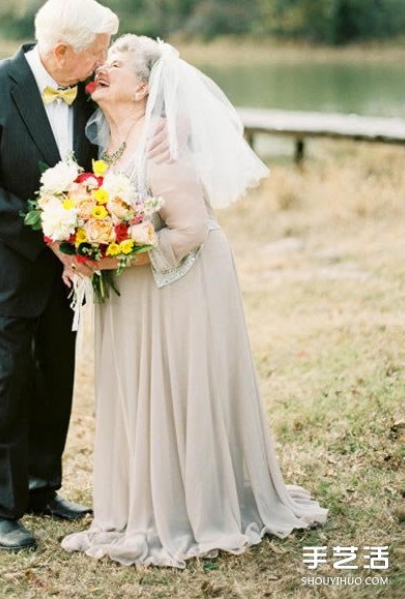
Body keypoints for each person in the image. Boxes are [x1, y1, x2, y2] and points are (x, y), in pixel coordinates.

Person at [61, 35, 328, 568]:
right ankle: (144, 501)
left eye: (115, 64)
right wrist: (77, 249)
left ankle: (189, 508)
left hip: (178, 284)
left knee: (179, 386)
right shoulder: (107, 141)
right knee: (140, 390)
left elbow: (192, 229)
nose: (102, 69)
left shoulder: (161, 143)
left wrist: (113, 259)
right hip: (133, 293)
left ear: (144, 87)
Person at [0, 0, 119, 552]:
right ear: (63, 49)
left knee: (56, 375)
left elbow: (93, 170)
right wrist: (50, 241)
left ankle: (41, 487)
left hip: (67, 272)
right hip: (5, 267)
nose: (103, 62)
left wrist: (98, 228)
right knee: (7, 381)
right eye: (98, 52)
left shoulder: (84, 93)